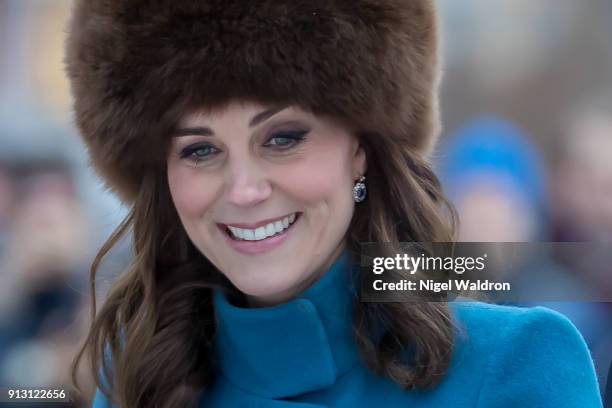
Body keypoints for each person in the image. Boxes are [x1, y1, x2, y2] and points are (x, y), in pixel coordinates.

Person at [64, 1, 602, 407]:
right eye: (201, 150)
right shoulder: (139, 378)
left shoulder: (516, 365)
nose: (244, 190)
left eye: (282, 138)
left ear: (362, 149)